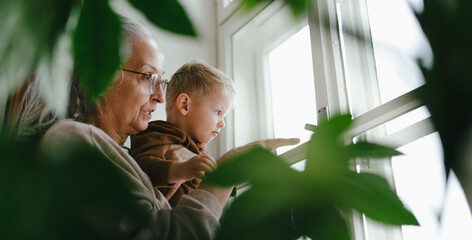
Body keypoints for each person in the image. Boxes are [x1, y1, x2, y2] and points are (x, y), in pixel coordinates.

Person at [35, 18, 298, 239]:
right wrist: (222, 178)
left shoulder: (122, 157)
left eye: (162, 81)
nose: (161, 97)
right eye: (148, 78)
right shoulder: (72, 143)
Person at [129, 61, 235, 207]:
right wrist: (178, 170)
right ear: (185, 104)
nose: (222, 123)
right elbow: (141, 170)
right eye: (218, 112)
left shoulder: (200, 151)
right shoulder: (156, 135)